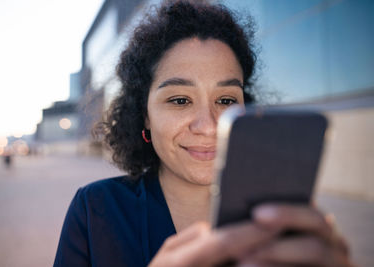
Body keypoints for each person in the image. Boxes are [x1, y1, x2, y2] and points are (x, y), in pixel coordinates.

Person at [54, 1, 353, 266]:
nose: (209, 125)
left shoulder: (280, 217)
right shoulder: (96, 210)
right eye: (180, 100)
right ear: (144, 115)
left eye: (225, 101)